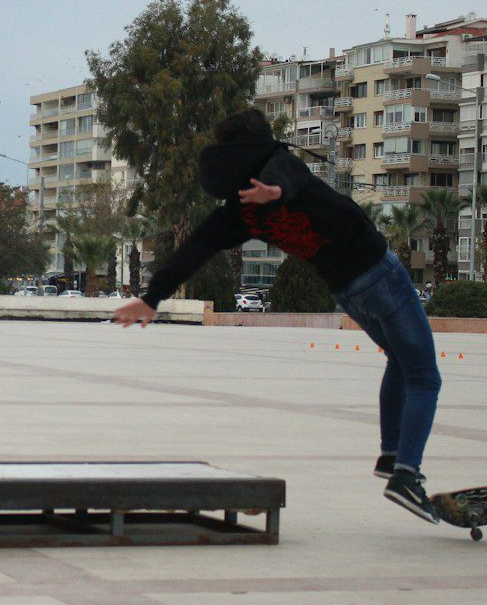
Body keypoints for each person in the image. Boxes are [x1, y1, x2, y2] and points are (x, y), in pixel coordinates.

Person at [112, 107, 443, 523]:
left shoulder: (237, 211)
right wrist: (274, 191)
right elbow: (286, 177)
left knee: (400, 361)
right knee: (425, 376)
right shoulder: (281, 164)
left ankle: (392, 454)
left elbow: (196, 247)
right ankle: (407, 475)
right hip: (379, 274)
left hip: (347, 291)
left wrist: (152, 298)